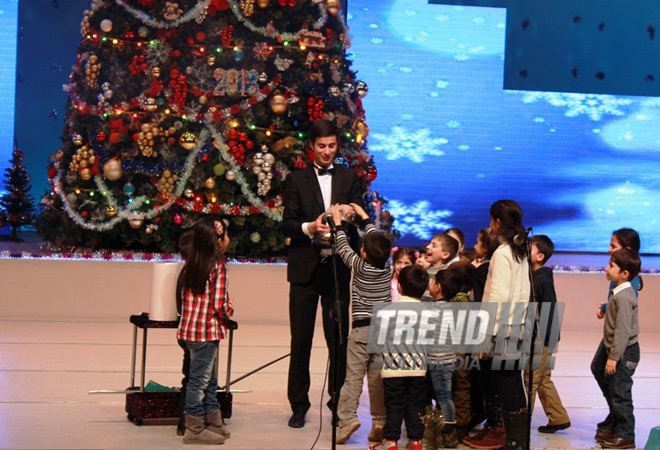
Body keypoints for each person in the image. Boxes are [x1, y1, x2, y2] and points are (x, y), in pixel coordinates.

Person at [282, 119, 364, 428]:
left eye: (331, 146)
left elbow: (361, 209)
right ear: (311, 148)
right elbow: (288, 223)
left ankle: (338, 404)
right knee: (300, 341)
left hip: (338, 271)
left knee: (339, 341)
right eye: (321, 146)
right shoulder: (295, 180)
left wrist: (353, 212)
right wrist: (309, 227)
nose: (327, 151)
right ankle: (299, 405)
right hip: (305, 271)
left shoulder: (349, 176)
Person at [466, 200, 531, 450]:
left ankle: (515, 441)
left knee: (507, 385)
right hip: (516, 326)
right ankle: (518, 440)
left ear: (498, 222)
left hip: (501, 330)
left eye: (491, 220)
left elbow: (496, 297)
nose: (490, 225)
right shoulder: (519, 251)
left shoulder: (504, 253)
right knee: (514, 384)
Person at [330, 202, 391, 444]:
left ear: (363, 253)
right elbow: (376, 236)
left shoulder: (359, 266)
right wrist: (365, 217)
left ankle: (347, 419)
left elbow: (342, 247)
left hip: (361, 330)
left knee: (353, 377)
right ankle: (379, 421)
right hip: (383, 332)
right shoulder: (387, 268)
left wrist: (337, 222)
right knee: (377, 380)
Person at [177, 218, 233, 445]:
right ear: (218, 241)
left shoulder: (191, 264)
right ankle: (194, 428)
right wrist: (230, 308)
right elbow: (219, 304)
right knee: (199, 381)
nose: (228, 240)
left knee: (209, 379)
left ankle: (214, 421)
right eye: (226, 236)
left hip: (189, 331)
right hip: (206, 333)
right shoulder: (218, 267)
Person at [370, 265, 429, 450]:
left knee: (394, 405)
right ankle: (416, 441)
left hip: (393, 368)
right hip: (418, 368)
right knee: (415, 404)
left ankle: (390, 441)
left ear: (399, 286)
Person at [591, 249, 641, 449]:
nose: (606, 268)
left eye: (611, 265)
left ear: (624, 274)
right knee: (615, 388)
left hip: (624, 351)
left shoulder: (624, 297)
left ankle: (626, 435)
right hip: (618, 350)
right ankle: (618, 428)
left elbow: (622, 330)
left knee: (621, 393)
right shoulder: (618, 293)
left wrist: (614, 357)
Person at [523, 235, 570, 434]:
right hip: (542, 337)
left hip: (542, 338)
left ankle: (521, 425)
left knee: (531, 378)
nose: (525, 249)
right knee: (541, 378)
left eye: (529, 248)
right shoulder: (535, 276)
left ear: (540, 256)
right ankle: (558, 417)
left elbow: (549, 310)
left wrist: (539, 338)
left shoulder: (542, 278)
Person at [428, 269, 462, 448]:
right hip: (449, 358)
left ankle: (449, 432)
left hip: (438, 360)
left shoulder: (434, 310)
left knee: (443, 397)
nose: (431, 284)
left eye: (433, 282)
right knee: (445, 395)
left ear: (438, 287)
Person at [597, 228, 643, 320]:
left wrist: (604, 308)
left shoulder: (631, 279)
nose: (609, 249)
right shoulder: (621, 277)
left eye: (613, 246)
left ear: (627, 250)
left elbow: (624, 305)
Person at [176, 230, 194, 437]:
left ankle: (191, 418)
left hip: (188, 332)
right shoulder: (192, 272)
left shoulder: (187, 271)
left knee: (192, 377)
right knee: (193, 379)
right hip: (195, 333)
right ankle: (187, 420)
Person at [423, 233, 459, 301]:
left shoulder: (446, 275)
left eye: (434, 246)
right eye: (429, 244)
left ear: (445, 255)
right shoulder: (423, 272)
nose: (428, 246)